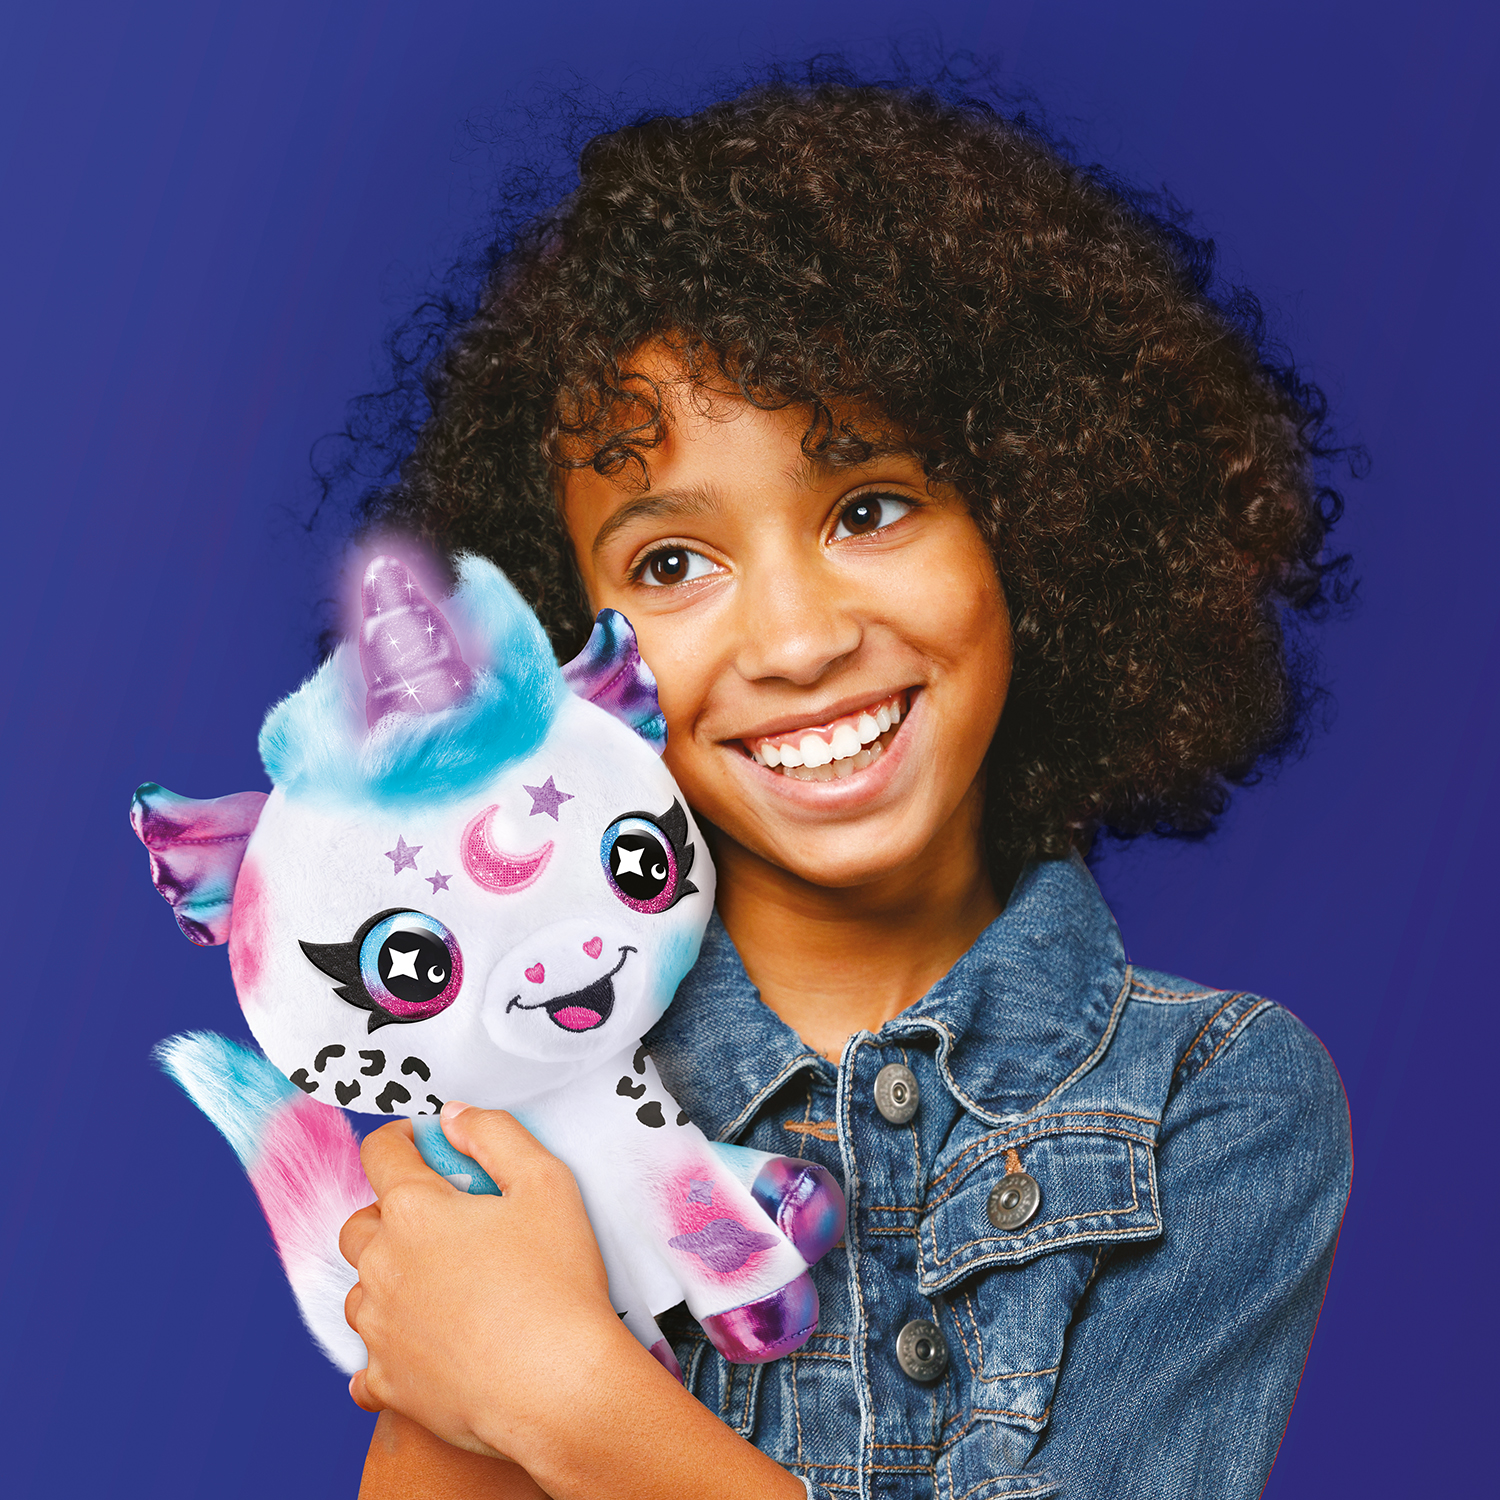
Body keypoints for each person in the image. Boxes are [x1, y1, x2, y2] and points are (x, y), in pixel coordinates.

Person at [333, 70, 1354, 1499]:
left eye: (869, 508)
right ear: (562, 657)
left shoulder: (1215, 1102)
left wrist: (562, 1391)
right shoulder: (529, 1094)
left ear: (1032, 525)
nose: (799, 641)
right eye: (670, 563)